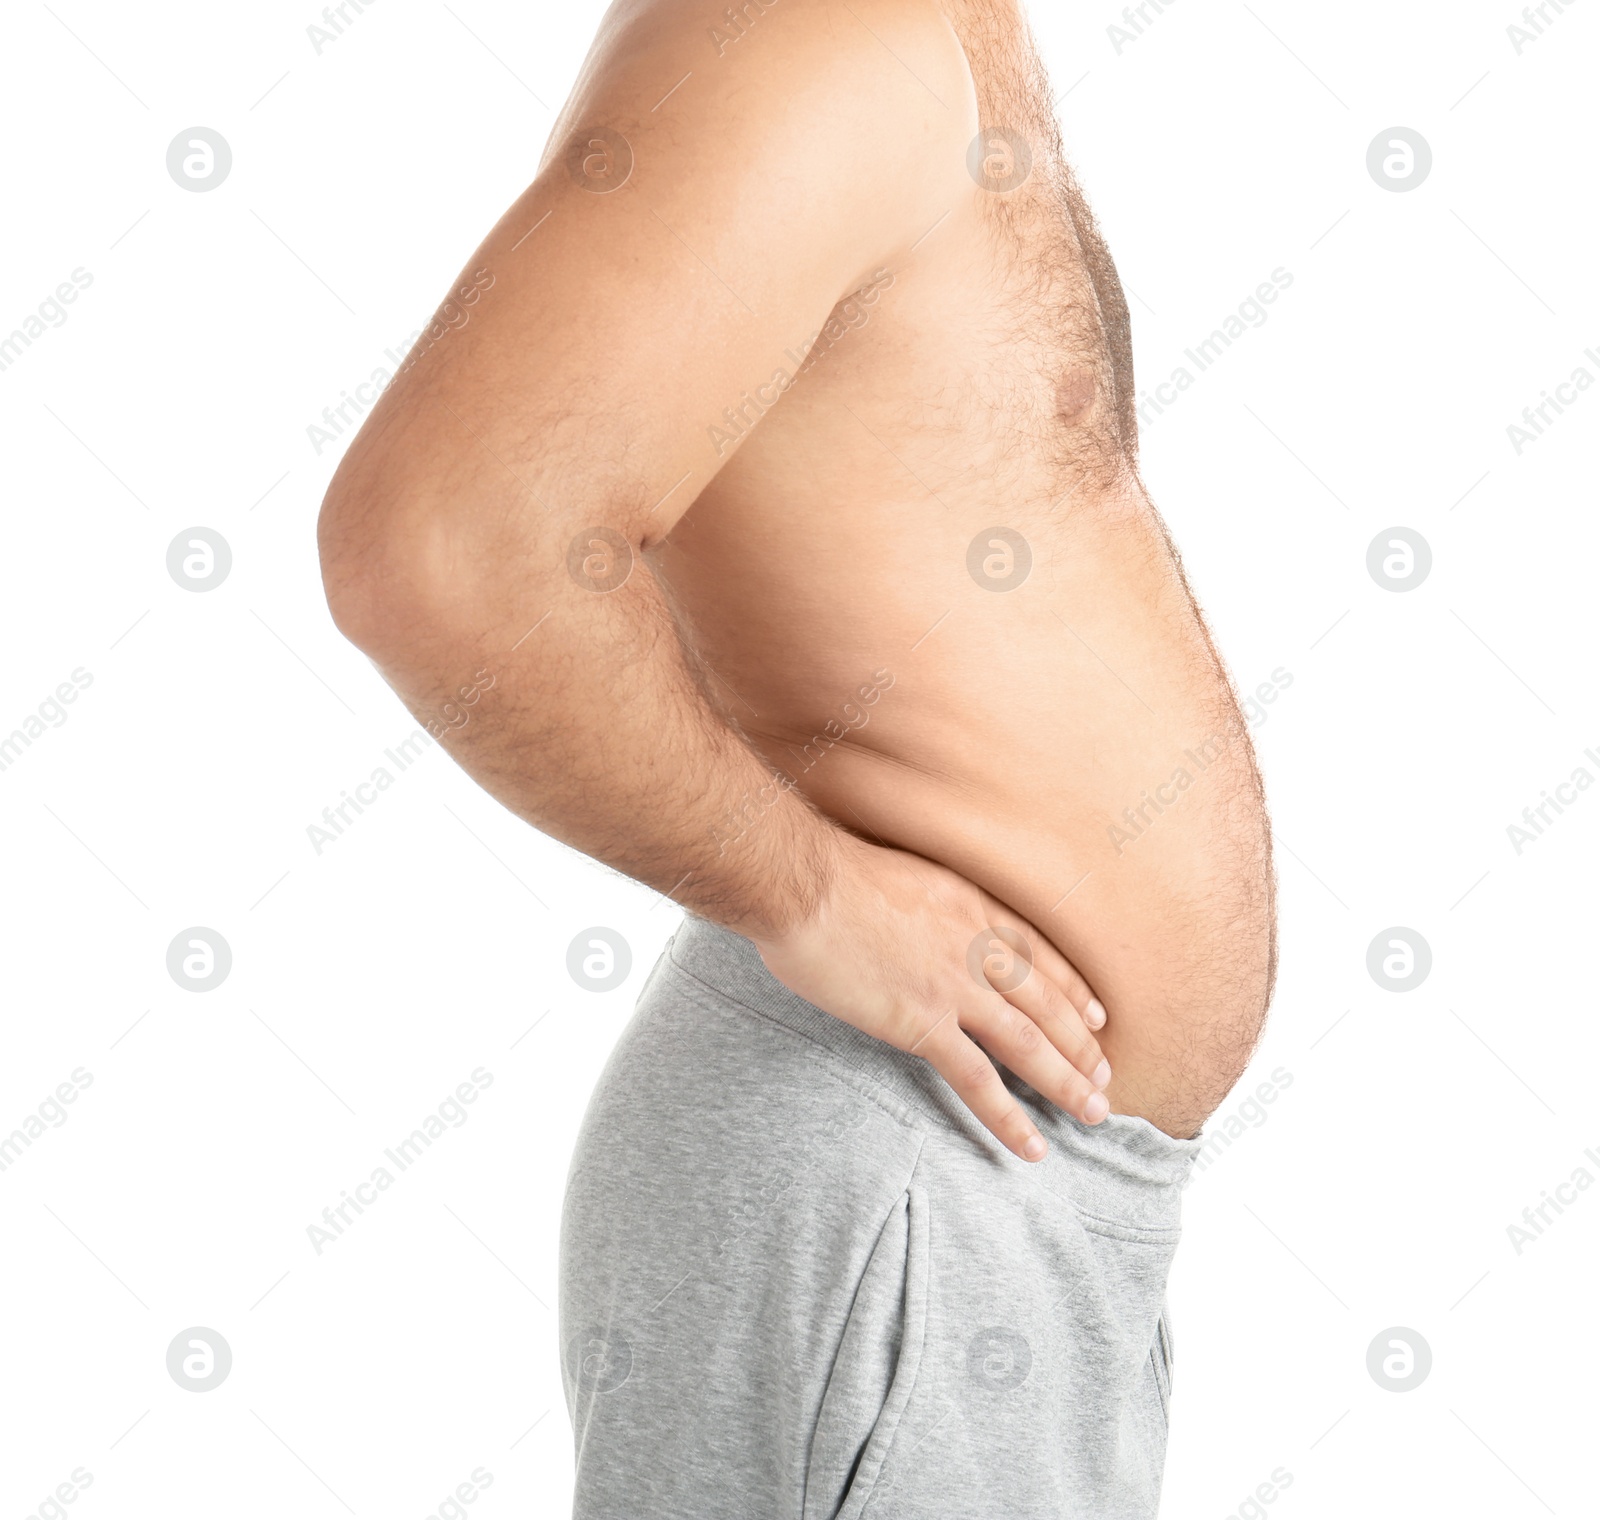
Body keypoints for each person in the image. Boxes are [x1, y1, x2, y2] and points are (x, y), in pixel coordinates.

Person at [316, 0, 1276, 1513]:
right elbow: (441, 548)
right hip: (894, 1181)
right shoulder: (806, 36)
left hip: (982, 1191)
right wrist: (807, 893)